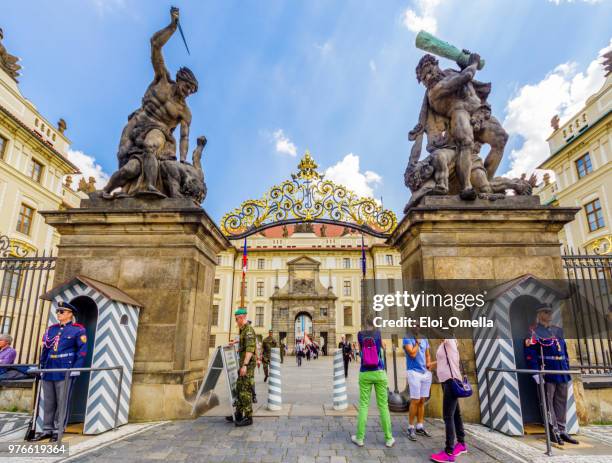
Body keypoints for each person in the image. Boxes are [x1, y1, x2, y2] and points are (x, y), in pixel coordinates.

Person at [31, 301, 87, 442]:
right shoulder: (51, 329)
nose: (59, 314)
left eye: (62, 312)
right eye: (58, 312)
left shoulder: (78, 330)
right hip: (50, 368)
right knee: (49, 401)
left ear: (69, 314)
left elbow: (82, 351)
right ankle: (47, 429)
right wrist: (42, 366)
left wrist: (75, 369)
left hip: (65, 369)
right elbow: (45, 349)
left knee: (62, 401)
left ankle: (58, 429)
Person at [524, 303, 578, 445]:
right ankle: (553, 431)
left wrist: (566, 367)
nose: (549, 315)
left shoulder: (557, 331)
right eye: (546, 312)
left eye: (550, 312)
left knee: (561, 401)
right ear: (539, 314)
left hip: (561, 370)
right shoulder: (534, 332)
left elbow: (564, 351)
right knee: (548, 402)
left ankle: (562, 429)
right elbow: (530, 353)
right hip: (546, 370)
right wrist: (536, 372)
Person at [351, 318, 394, 448]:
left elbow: (360, 352)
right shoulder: (378, 333)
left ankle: (359, 438)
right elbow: (384, 347)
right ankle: (389, 438)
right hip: (379, 372)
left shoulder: (360, 334)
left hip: (365, 372)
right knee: (383, 406)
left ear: (364, 324)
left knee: (364, 405)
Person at [431, 338, 467, 462]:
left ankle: (449, 452)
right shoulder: (445, 343)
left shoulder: (449, 340)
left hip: (451, 381)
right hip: (447, 381)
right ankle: (461, 444)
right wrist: (432, 364)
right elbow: (444, 360)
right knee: (456, 414)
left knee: (448, 416)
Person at [403, 326, 434, 441]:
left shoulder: (424, 338)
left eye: (418, 324)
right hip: (414, 372)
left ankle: (420, 426)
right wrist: (417, 343)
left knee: (422, 400)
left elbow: (427, 354)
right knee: (415, 400)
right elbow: (412, 354)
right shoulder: (407, 338)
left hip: (425, 372)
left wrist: (429, 364)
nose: (417, 327)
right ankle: (410, 427)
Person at [225, 308, 255, 427]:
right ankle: (238, 413)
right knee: (239, 388)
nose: (236, 321)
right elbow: (243, 344)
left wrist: (245, 365)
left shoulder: (248, 330)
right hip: (243, 364)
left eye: (237, 319)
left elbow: (250, 349)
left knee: (245, 391)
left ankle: (248, 417)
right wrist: (235, 343)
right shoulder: (243, 331)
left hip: (247, 365)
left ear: (242, 318)